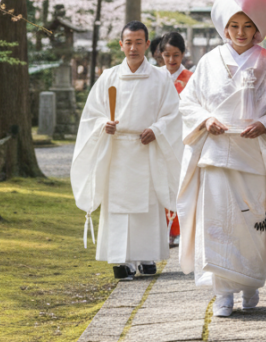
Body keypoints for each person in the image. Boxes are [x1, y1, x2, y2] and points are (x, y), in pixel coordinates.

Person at [177, 0, 266, 318]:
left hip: (252, 155)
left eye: (247, 26)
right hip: (215, 156)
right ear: (224, 28)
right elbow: (188, 103)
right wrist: (206, 119)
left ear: (257, 29)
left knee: (250, 225)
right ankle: (223, 292)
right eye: (234, 26)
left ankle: (252, 284)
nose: (240, 32)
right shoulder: (209, 62)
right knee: (218, 226)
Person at [70, 22, 183, 280]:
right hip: (118, 149)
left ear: (147, 45)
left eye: (139, 42)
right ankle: (121, 259)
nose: (133, 48)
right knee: (119, 205)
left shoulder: (160, 77)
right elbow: (92, 116)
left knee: (147, 202)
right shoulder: (108, 77)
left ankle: (146, 254)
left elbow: (173, 114)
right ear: (121, 44)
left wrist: (157, 129)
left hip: (147, 148)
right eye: (128, 42)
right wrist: (103, 125)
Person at [161, 31, 191, 247]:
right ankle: (162, 229)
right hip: (160, 139)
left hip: (182, 138)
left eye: (176, 55)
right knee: (161, 183)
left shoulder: (191, 79)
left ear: (183, 54)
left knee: (180, 184)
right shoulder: (155, 77)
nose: (171, 60)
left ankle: (179, 230)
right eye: (167, 55)